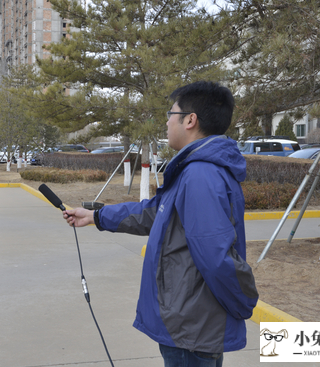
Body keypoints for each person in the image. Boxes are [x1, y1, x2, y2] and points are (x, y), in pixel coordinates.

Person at [63, 81, 258, 367]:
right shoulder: (194, 170)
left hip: (190, 326)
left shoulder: (200, 176)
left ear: (190, 120)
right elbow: (156, 213)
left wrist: (244, 300)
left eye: (171, 113)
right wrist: (97, 216)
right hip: (189, 321)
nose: (167, 121)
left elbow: (216, 258)